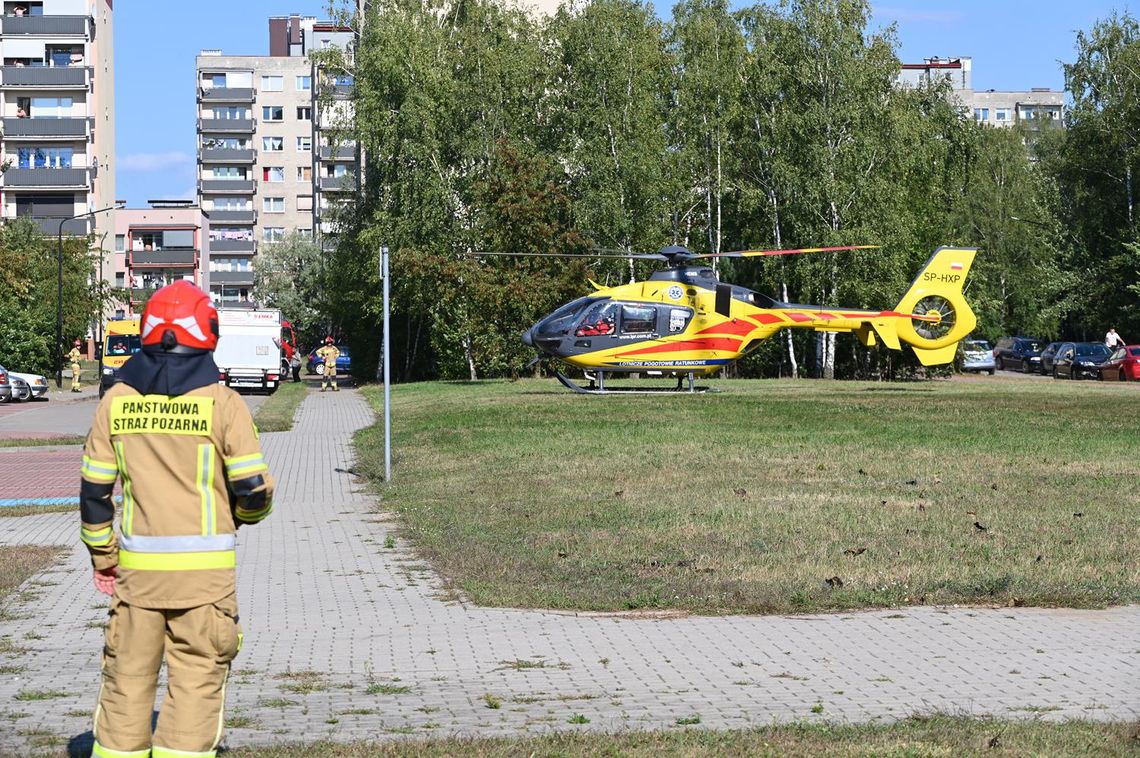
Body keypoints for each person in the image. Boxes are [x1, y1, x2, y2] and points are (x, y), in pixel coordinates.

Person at [79, 280, 274, 758]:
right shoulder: (224, 404)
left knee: (126, 681)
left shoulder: (115, 403)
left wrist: (104, 557)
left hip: (137, 578)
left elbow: (94, 494)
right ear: (208, 332)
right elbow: (254, 491)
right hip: (205, 582)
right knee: (196, 683)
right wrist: (243, 517)